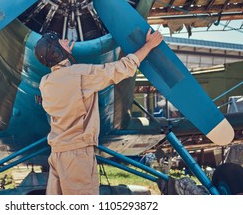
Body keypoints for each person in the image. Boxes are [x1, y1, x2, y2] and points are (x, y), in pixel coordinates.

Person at [34, 29, 163, 195]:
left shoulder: (45, 83)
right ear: (58, 53)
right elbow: (122, 68)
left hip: (57, 154)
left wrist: (65, 56)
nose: (66, 40)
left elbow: (66, 77)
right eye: (61, 41)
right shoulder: (80, 74)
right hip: (77, 156)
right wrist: (150, 45)